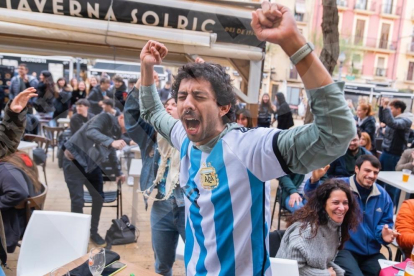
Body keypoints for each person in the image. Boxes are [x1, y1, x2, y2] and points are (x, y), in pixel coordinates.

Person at [134, 1, 356, 273]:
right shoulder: (183, 136)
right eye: (182, 96)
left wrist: (293, 43)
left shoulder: (250, 147)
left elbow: (335, 134)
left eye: (199, 96)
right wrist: (147, 67)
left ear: (224, 107)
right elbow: (152, 111)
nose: (187, 104)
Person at [305, 155, 397, 276]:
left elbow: (384, 224)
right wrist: (314, 181)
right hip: (343, 249)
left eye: (375, 172)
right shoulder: (340, 186)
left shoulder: (383, 196)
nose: (371, 175)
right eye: (367, 170)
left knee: (389, 274)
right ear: (357, 169)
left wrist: (383, 234)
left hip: (372, 253)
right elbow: (314, 198)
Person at [125, 94, 185, 276]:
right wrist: (140, 84)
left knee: (197, 263)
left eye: (174, 104)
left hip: (188, 206)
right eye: (166, 105)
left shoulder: (193, 137)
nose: (168, 107)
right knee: (161, 265)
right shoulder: (151, 136)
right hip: (161, 203)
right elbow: (130, 117)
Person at [63, 112, 126, 246]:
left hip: (91, 165)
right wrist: (111, 142)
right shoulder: (104, 117)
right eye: (130, 123)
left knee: (98, 197)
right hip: (73, 163)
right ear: (121, 117)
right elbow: (91, 132)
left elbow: (111, 152)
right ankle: (77, 235)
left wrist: (118, 172)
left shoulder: (117, 131)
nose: (130, 128)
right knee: (78, 201)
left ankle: (93, 232)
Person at [277, 179, 359, 275]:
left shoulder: (333, 227)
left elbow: (321, 261)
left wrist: (338, 272)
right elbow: (292, 269)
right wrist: (326, 274)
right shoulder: (306, 231)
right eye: (336, 202)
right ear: (323, 204)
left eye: (345, 203)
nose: (342, 208)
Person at [0, 152, 42, 253]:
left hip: (13, 225)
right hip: (22, 220)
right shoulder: (18, 158)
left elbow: (18, 193)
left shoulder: (5, 169)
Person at [379, 98, 414, 206]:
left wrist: (386, 108)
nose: (389, 110)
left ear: (399, 109)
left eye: (391, 108)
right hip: (385, 152)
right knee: (378, 179)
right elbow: (384, 120)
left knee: (391, 184)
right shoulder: (396, 118)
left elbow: (392, 123)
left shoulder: (405, 120)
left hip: (394, 155)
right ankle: (378, 202)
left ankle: (389, 206)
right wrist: (382, 108)